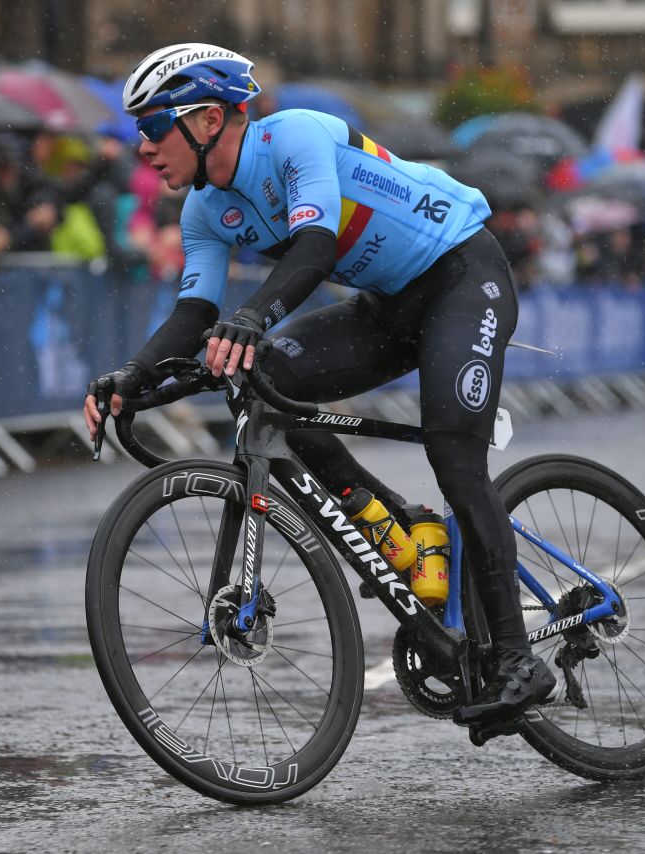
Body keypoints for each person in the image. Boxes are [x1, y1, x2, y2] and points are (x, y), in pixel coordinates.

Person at [82, 43, 555, 724]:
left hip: (460, 274)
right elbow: (193, 313)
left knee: (454, 451)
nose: (145, 149)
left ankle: (517, 657)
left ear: (209, 119)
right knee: (267, 380)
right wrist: (132, 377)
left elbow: (316, 245)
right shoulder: (205, 212)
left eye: (155, 129)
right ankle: (404, 529)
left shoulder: (294, 136)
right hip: (387, 308)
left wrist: (252, 317)